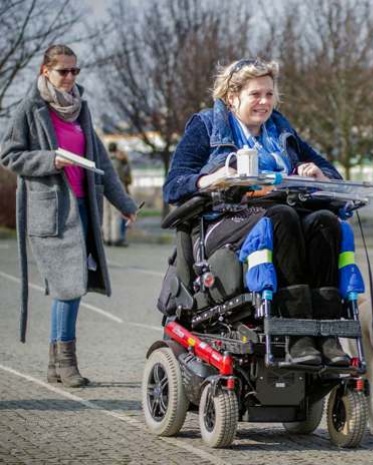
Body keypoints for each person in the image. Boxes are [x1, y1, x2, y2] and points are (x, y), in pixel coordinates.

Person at [163, 58, 350, 367]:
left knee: (325, 222)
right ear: (232, 96)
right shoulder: (207, 125)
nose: (265, 102)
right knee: (282, 217)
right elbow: (173, 186)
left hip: (280, 215)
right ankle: (297, 337)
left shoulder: (281, 128)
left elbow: (331, 174)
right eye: (255, 94)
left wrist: (320, 173)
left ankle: (326, 335)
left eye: (269, 94)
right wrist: (211, 178)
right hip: (225, 220)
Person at [0, 44, 138, 387]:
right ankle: (66, 362)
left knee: (75, 283)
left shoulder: (80, 110)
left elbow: (102, 163)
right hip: (50, 213)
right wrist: (50, 161)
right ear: (45, 71)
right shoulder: (29, 109)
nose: (70, 77)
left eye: (75, 71)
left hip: (83, 208)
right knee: (69, 285)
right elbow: (9, 154)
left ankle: (54, 364)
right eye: (63, 71)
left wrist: (125, 204)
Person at [103, 142, 133, 246]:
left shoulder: (104, 160)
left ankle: (106, 238)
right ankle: (115, 238)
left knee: (106, 215)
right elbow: (124, 178)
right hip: (115, 190)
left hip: (103, 190)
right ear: (116, 150)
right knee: (115, 215)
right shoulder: (118, 162)